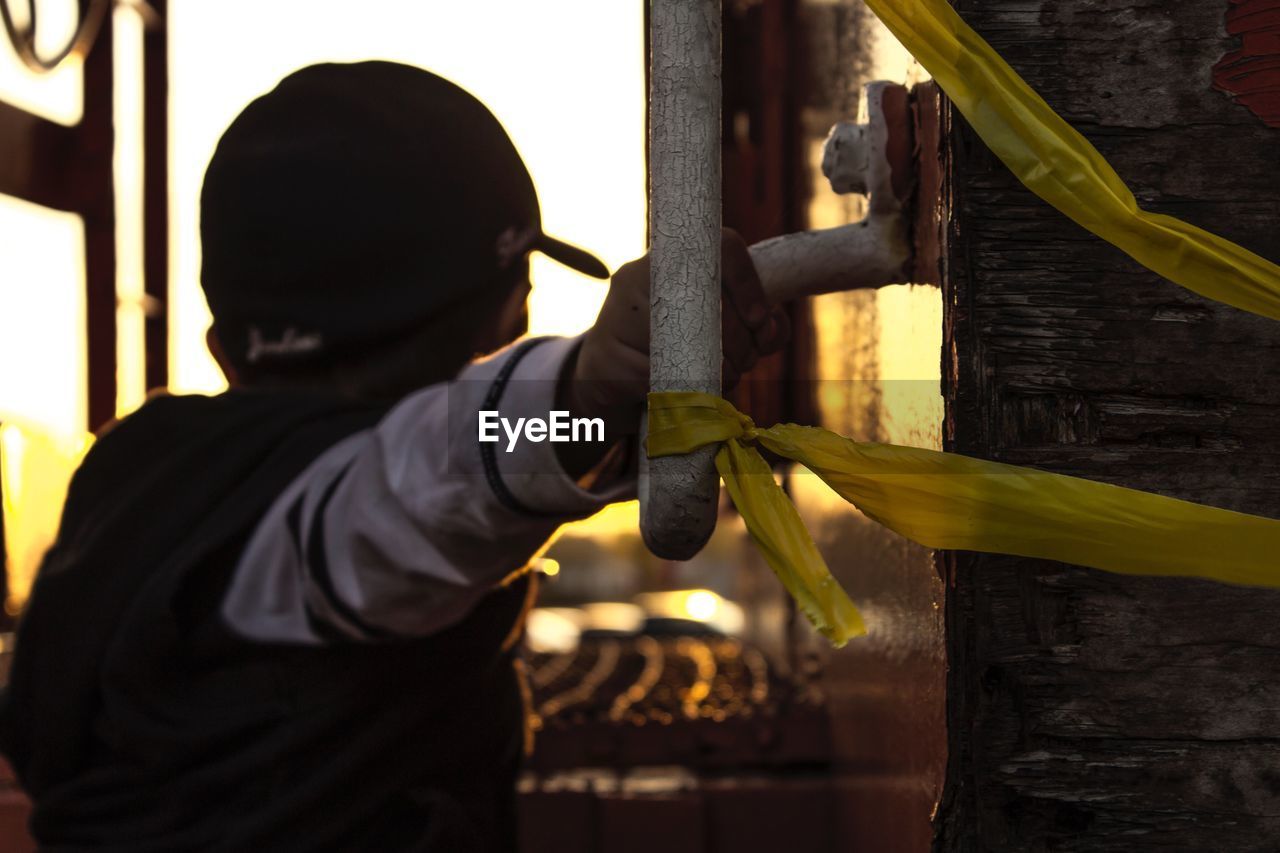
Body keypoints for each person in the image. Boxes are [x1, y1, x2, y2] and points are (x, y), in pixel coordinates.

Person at [0, 61, 787, 851]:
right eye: (512, 313)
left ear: (223, 347)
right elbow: (420, 491)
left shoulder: (138, 477)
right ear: (486, 325)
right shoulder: (313, 523)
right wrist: (591, 392)